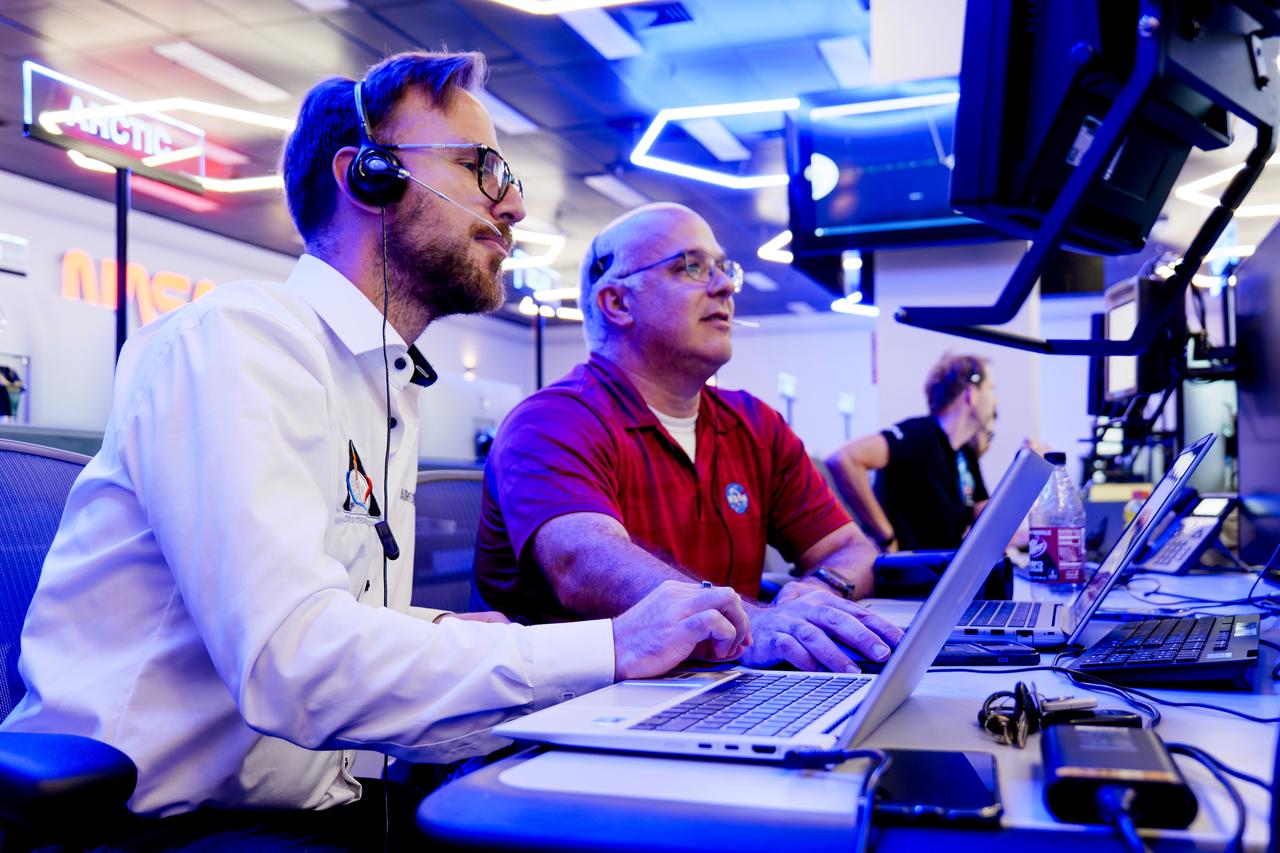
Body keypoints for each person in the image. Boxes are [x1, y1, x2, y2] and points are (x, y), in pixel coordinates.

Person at [1, 52, 750, 848]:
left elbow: (350, 657)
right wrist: (609, 646)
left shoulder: (384, 380)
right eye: (480, 166)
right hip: (151, 828)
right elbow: (299, 666)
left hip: (324, 800)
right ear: (370, 176)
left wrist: (530, 664)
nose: (514, 205)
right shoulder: (236, 341)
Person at [473, 202, 903, 675]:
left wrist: (823, 588)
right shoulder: (553, 421)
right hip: (584, 708)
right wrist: (754, 623)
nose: (724, 286)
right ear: (617, 303)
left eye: (723, 268)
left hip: (725, 691)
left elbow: (853, 549)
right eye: (692, 267)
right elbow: (584, 564)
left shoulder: (756, 424)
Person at [826, 353, 997, 552]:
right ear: (971, 394)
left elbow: (988, 517)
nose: (994, 401)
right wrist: (885, 535)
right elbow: (843, 459)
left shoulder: (964, 455)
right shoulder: (919, 435)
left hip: (946, 575)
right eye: (991, 390)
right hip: (912, 576)